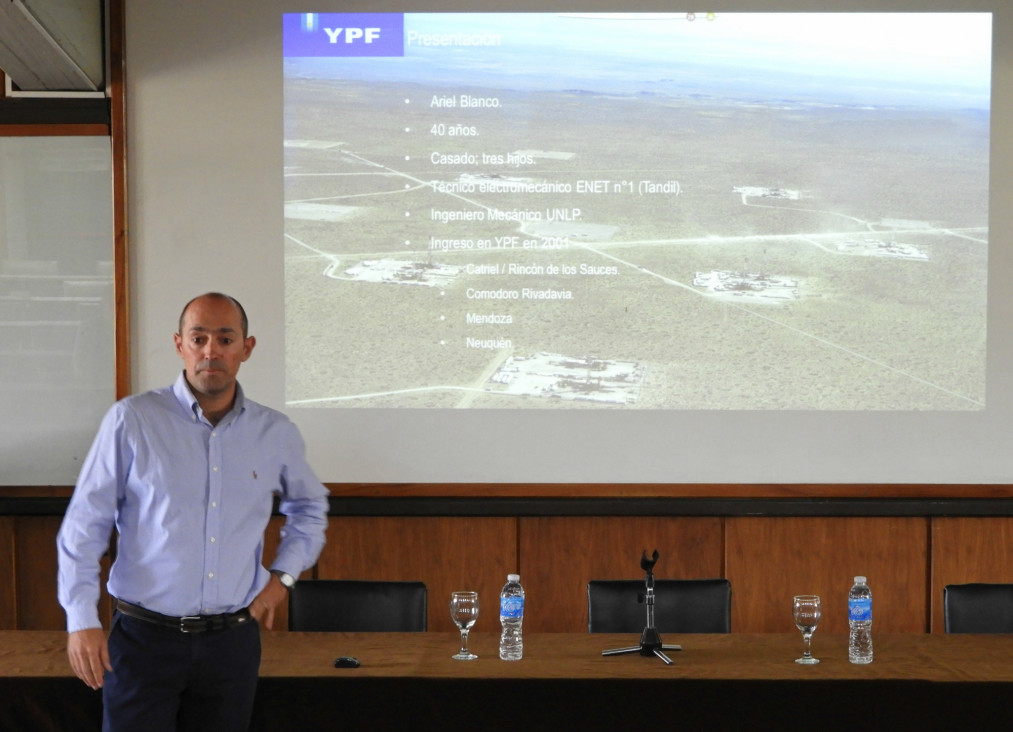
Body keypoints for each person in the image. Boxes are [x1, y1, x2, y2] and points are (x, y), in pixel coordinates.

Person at [57, 292, 329, 731]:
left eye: (225, 339)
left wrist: (283, 580)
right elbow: (84, 526)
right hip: (144, 640)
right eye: (198, 337)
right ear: (179, 344)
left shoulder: (274, 431)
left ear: (247, 347)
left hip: (232, 645)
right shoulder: (133, 420)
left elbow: (311, 512)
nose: (211, 351)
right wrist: (81, 618)